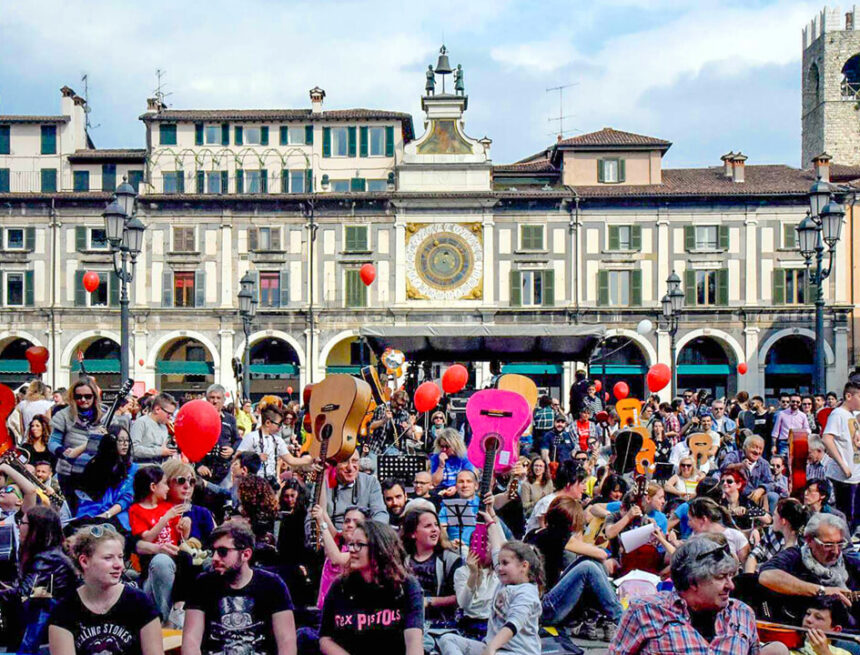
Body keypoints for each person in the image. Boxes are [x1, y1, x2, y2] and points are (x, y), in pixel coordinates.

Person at [608, 534, 784, 654]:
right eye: (721, 577)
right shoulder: (644, 612)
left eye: (730, 576)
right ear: (693, 581)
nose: (730, 585)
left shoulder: (742, 614)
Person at [182, 520, 296, 655]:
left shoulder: (273, 585)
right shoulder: (202, 584)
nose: (215, 558)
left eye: (223, 552)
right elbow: (191, 641)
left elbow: (287, 642)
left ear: (246, 554)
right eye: (213, 551)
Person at [48, 523, 162, 655]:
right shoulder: (64, 611)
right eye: (108, 558)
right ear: (84, 561)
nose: (119, 565)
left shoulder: (140, 603)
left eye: (120, 557)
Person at [319, 520, 424, 655]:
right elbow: (325, 638)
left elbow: (414, 642)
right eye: (351, 544)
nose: (352, 550)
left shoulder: (406, 585)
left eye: (359, 545)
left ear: (380, 548)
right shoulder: (340, 586)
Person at [438, 539, 544, 655]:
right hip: (493, 647)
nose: (500, 567)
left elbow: (513, 625)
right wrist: (491, 523)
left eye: (505, 563)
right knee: (447, 639)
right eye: (499, 563)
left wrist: (491, 648)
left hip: (517, 652)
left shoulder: (527, 593)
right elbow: (496, 537)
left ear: (524, 566)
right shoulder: (504, 580)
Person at [759, 512, 860, 627]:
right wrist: (822, 591)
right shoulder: (794, 556)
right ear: (809, 540)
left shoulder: (852, 565)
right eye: (828, 545)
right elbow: (766, 576)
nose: (836, 551)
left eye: (840, 544)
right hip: (792, 627)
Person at [0, 506, 76, 654]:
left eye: (22, 523)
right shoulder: (50, 554)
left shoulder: (48, 559)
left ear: (36, 528)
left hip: (45, 631)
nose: (18, 526)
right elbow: (39, 591)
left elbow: (26, 595)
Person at [128, 466, 189, 622]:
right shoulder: (136, 510)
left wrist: (185, 526)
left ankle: (179, 606)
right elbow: (147, 538)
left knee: (187, 558)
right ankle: (162, 617)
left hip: (173, 552)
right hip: (152, 557)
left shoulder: (167, 507)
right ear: (153, 487)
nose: (168, 488)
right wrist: (165, 519)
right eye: (164, 483)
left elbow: (181, 537)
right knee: (161, 561)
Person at [48, 377, 106, 513]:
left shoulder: (105, 415)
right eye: (78, 396)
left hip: (97, 473)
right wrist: (63, 452)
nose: (83, 400)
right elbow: (52, 442)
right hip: (70, 472)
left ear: (94, 396)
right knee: (74, 510)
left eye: (88, 396)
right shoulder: (63, 415)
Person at [402, 507, 462, 623]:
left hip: (442, 624)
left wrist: (429, 601)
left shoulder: (450, 560)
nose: (435, 529)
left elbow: (460, 597)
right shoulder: (403, 560)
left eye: (436, 525)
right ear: (413, 533)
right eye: (428, 526)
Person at [74, 424, 137, 529]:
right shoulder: (96, 465)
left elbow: (127, 498)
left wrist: (107, 514)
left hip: (117, 514)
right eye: (120, 440)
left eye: (127, 440)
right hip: (92, 510)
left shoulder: (133, 468)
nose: (125, 444)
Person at [821, 380, 860, 531]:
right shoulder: (838, 414)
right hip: (844, 475)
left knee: (854, 516)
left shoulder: (851, 415)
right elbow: (827, 438)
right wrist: (843, 465)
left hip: (855, 472)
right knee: (845, 516)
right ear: (849, 396)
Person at [316, 450, 387, 531]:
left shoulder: (370, 482)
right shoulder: (322, 483)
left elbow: (381, 514)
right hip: (329, 534)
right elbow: (312, 518)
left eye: (355, 461)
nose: (350, 468)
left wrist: (370, 534)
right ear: (334, 464)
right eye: (344, 461)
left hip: (363, 534)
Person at [745, 497, 809, 572]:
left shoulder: (802, 547)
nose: (772, 518)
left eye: (775, 515)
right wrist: (749, 576)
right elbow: (753, 556)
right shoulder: (771, 533)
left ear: (783, 521)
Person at [525, 460, 588, 533]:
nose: (585, 488)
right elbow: (546, 533)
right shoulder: (548, 503)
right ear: (569, 484)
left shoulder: (573, 503)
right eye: (582, 483)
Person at [196, 384, 240, 486]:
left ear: (223, 400)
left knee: (224, 494)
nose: (215, 401)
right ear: (207, 399)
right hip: (203, 468)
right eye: (212, 397)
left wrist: (232, 449)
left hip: (224, 469)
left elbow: (238, 440)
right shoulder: (198, 418)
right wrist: (198, 465)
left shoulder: (230, 419)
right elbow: (190, 443)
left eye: (218, 398)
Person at [130, 392, 177, 464]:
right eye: (169, 414)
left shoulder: (164, 426)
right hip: (144, 467)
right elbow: (133, 449)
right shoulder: (141, 422)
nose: (170, 417)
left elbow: (163, 448)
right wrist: (159, 451)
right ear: (157, 409)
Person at [439, 470, 480, 548]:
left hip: (477, 549)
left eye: (469, 481)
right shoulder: (447, 506)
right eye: (461, 482)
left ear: (476, 486)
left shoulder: (484, 505)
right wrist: (448, 543)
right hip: (454, 548)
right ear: (456, 486)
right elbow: (442, 530)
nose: (465, 485)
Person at [429, 429, 475, 494]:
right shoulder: (436, 458)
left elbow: (469, 479)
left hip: (460, 490)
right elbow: (435, 483)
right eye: (442, 446)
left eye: (447, 447)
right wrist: (441, 465)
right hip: (440, 490)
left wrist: (456, 488)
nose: (444, 449)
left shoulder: (464, 457)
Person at [772, 394, 811, 458]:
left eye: (797, 402)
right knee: (784, 462)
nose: (795, 403)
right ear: (789, 402)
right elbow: (775, 432)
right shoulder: (781, 414)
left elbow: (807, 430)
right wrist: (773, 445)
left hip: (798, 443)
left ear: (800, 403)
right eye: (793, 401)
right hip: (784, 443)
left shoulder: (803, 415)